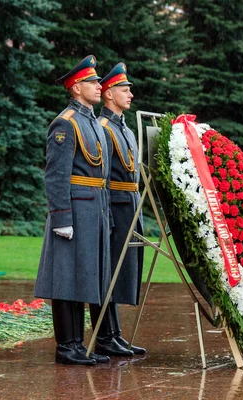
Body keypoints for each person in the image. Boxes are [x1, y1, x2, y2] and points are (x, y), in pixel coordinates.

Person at [34, 55, 113, 366]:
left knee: (82, 277)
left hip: (92, 209)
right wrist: (61, 217)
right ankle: (67, 346)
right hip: (74, 211)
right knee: (65, 278)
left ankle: (77, 345)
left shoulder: (91, 121)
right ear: (77, 88)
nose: (99, 86)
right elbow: (55, 174)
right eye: (93, 82)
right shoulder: (65, 123)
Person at [91, 62, 146, 356]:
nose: (130, 94)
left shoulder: (122, 127)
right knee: (108, 271)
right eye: (125, 90)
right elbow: (101, 178)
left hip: (130, 205)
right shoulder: (102, 128)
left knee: (122, 270)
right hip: (114, 206)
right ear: (110, 94)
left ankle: (115, 333)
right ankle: (104, 336)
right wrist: (107, 216)